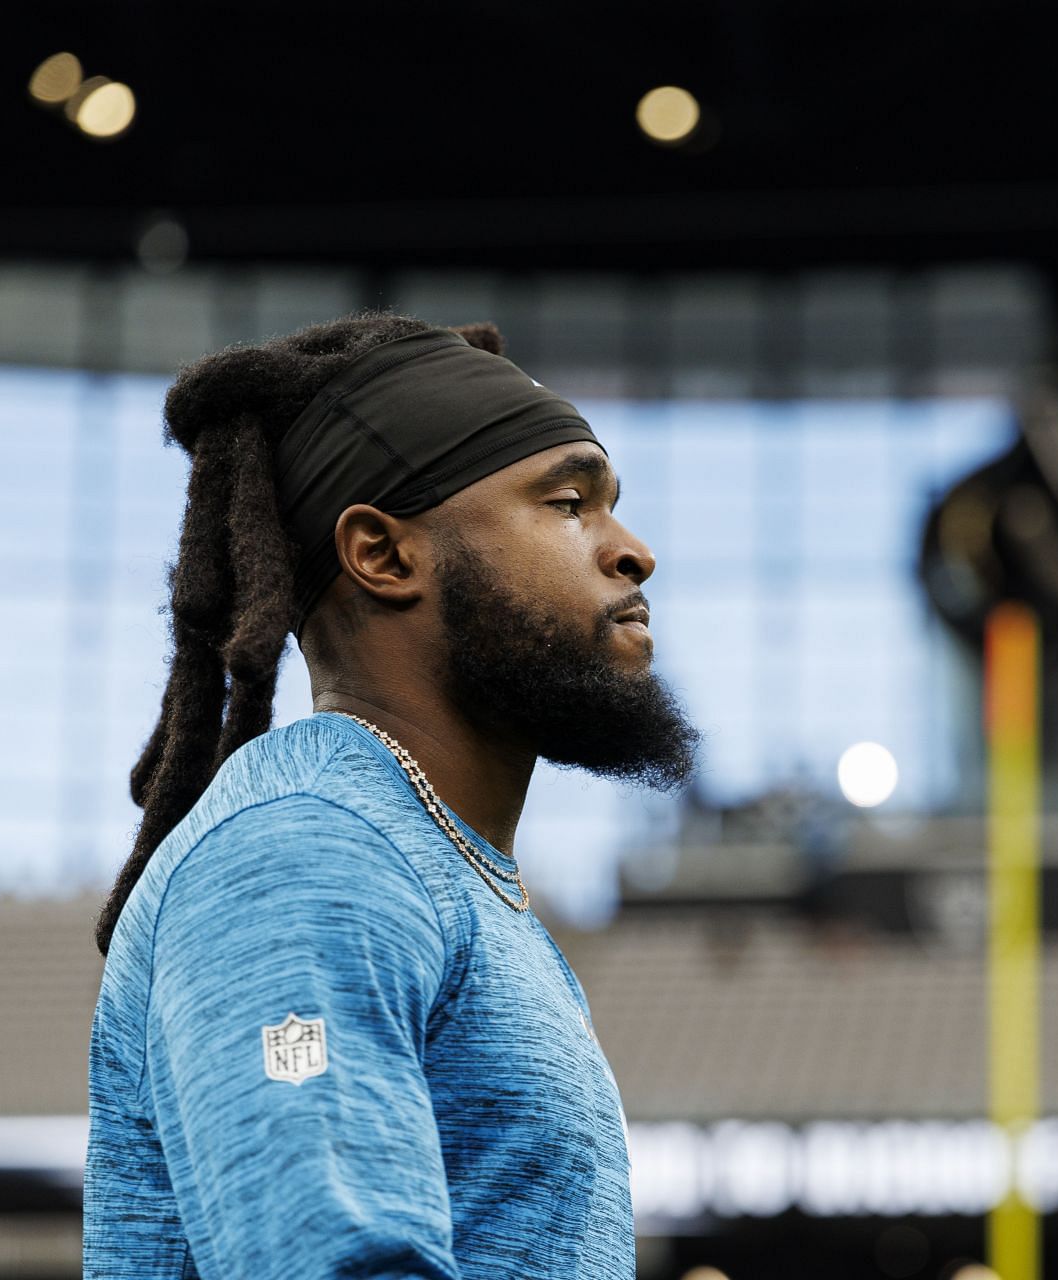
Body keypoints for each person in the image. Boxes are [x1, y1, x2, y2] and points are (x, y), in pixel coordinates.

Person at [82, 311, 701, 1280]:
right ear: (383, 553)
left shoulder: (422, 852)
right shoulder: (303, 853)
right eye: (570, 501)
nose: (632, 550)